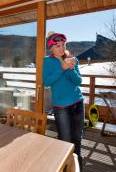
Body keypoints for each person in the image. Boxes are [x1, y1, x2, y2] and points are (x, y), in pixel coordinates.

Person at [42, 31, 84, 170]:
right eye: (57, 46)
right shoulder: (47, 61)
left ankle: (77, 168)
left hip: (78, 103)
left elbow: (78, 81)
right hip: (61, 107)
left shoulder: (73, 59)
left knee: (77, 140)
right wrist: (62, 68)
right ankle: (64, 168)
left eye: (62, 45)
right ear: (51, 48)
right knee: (65, 142)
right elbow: (47, 82)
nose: (61, 48)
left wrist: (71, 68)